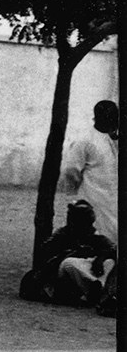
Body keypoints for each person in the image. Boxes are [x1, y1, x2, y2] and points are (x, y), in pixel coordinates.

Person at [20, 200, 117, 306]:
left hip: (87, 269)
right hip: (66, 273)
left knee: (109, 262)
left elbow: (112, 249)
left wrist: (100, 259)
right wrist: (76, 253)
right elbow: (48, 257)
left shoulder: (93, 235)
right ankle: (97, 289)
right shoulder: (62, 235)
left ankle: (98, 288)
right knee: (69, 263)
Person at [61, 99, 119, 247]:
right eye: (109, 118)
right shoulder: (85, 140)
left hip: (112, 198)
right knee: (98, 236)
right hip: (93, 198)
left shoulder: (111, 138)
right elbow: (71, 170)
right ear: (99, 118)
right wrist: (73, 198)